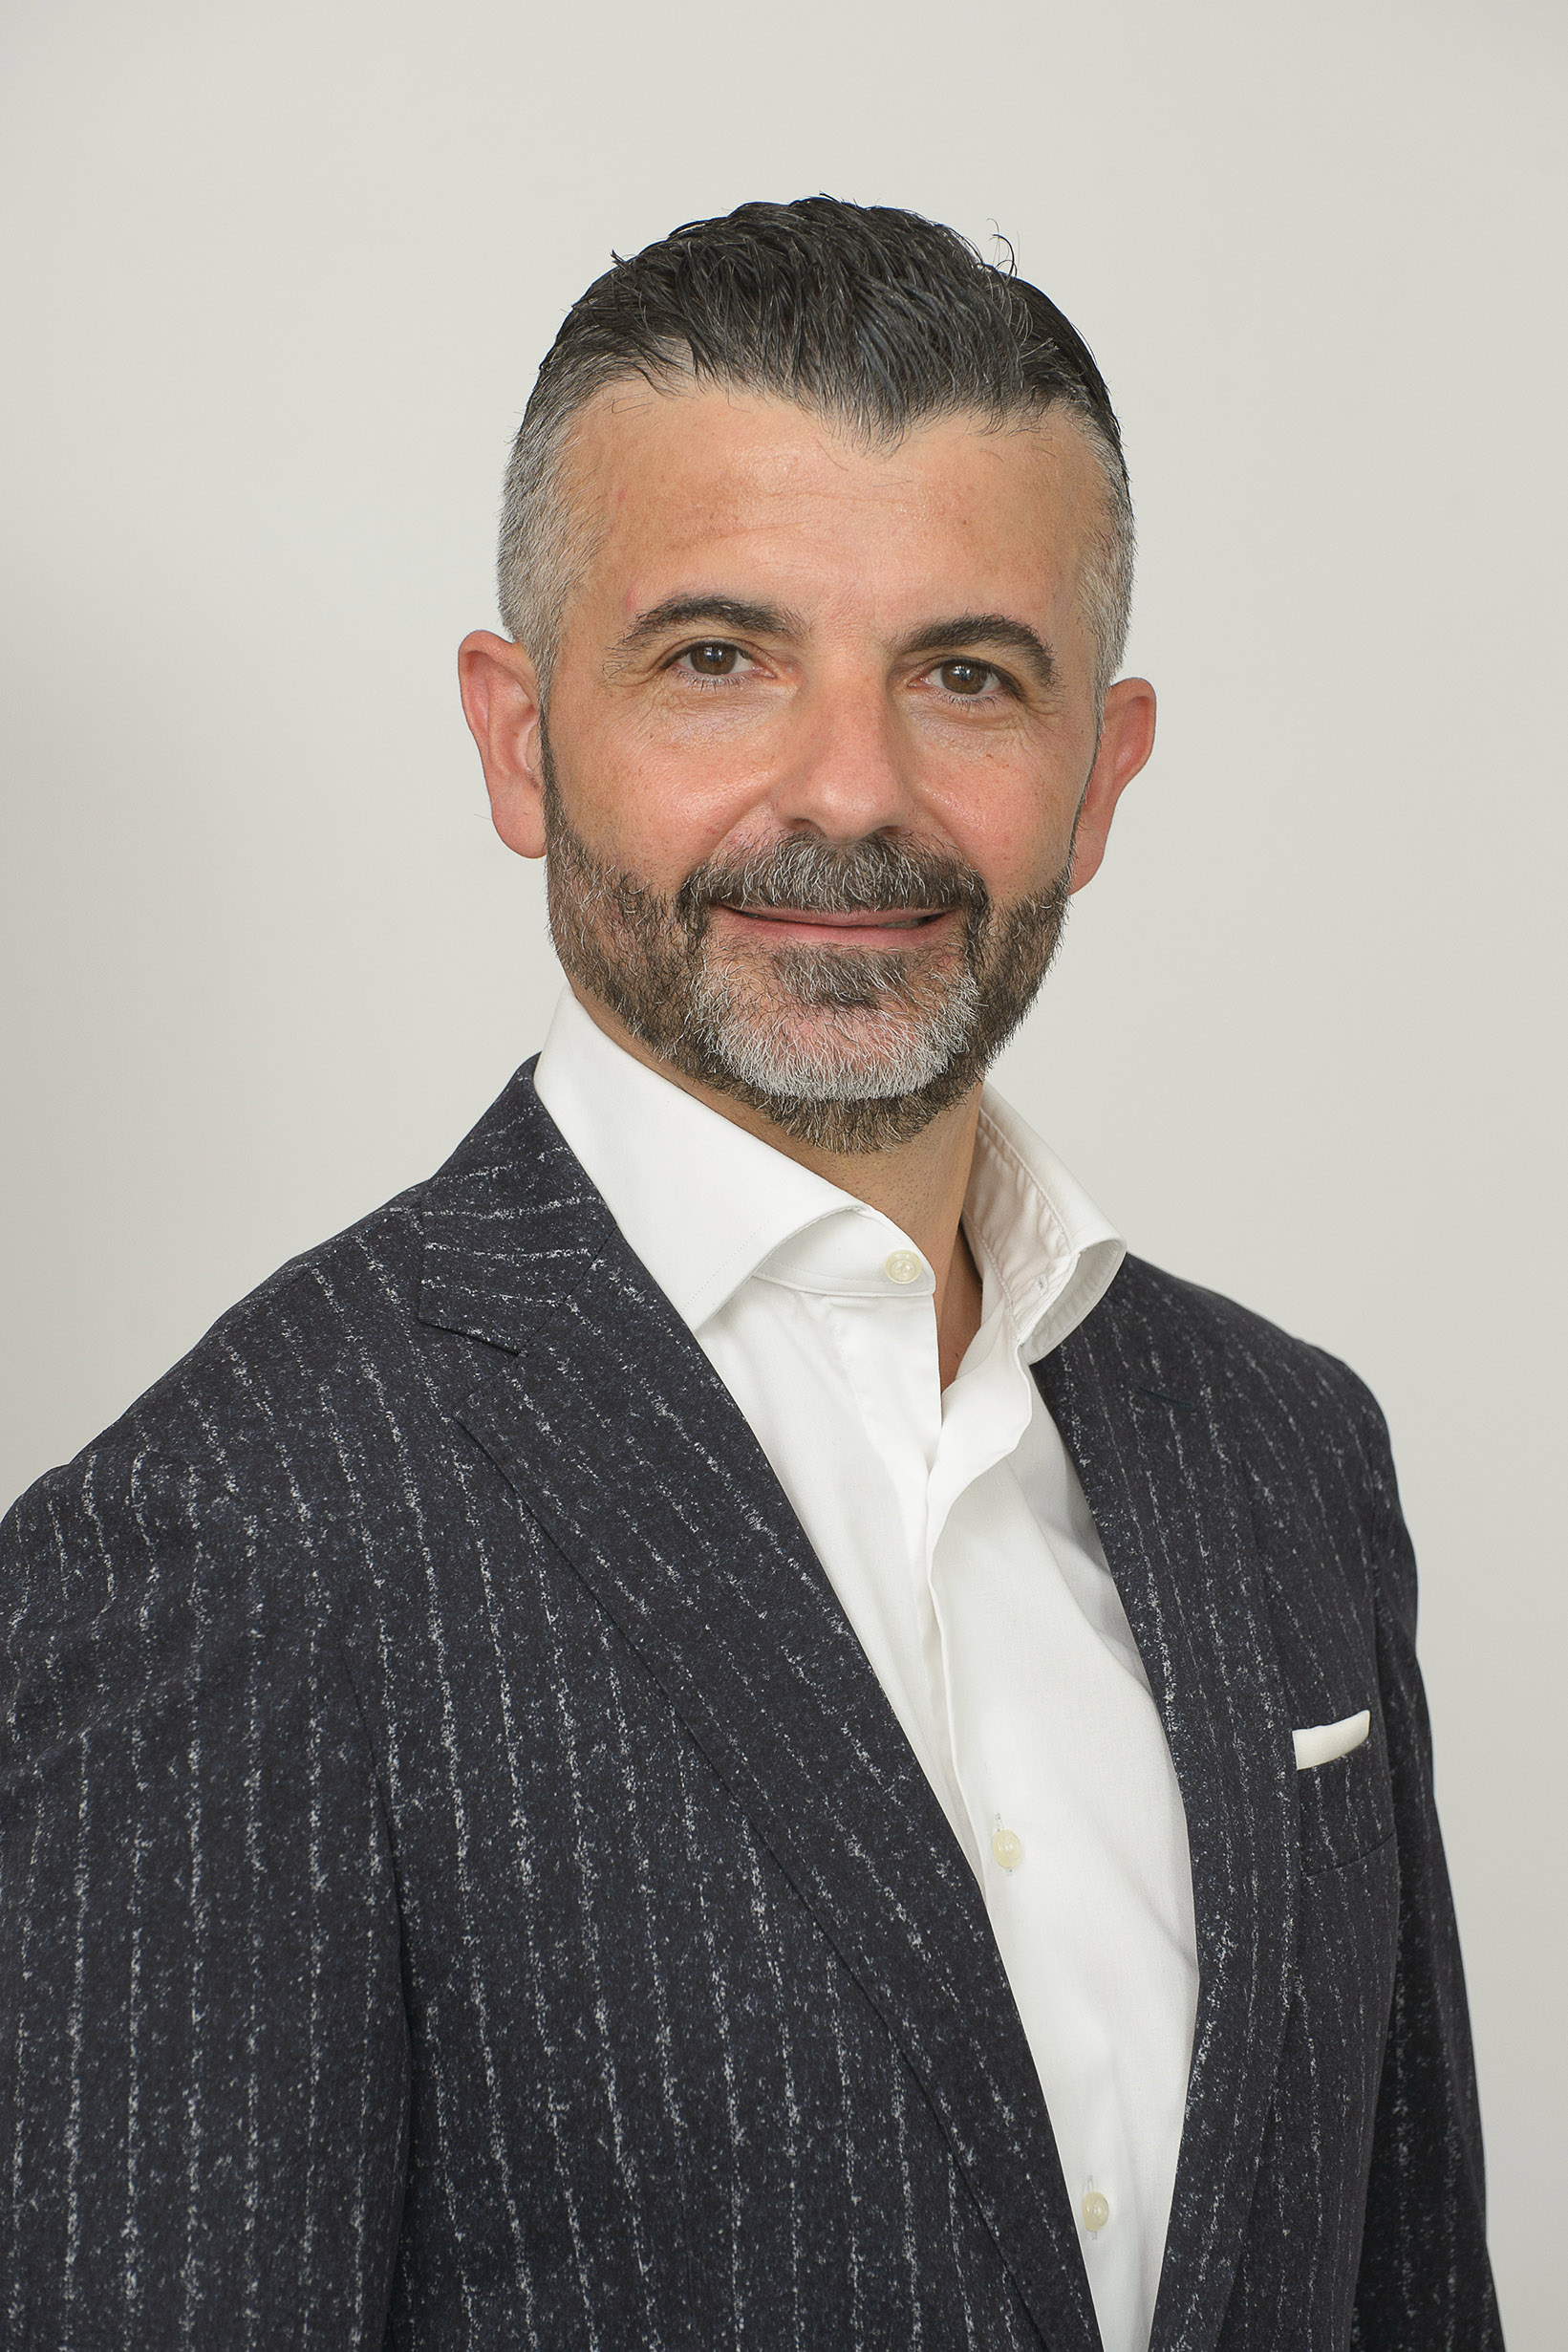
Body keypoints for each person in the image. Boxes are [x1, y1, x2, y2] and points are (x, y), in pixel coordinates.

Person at [0, 197, 1499, 2352]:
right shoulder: (224, 1541)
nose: (851, 792)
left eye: (964, 675)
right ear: (519, 738)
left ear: (1101, 774)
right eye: (717, 657)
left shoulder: (1282, 1452)